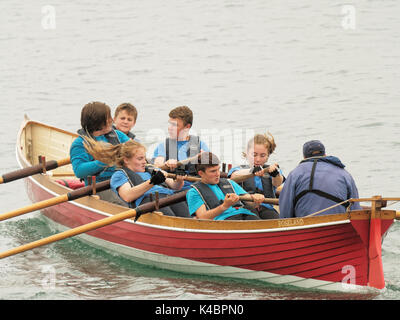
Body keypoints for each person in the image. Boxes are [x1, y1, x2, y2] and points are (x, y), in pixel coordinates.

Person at [83, 137, 190, 217]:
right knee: (172, 221)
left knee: (188, 220)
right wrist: (152, 182)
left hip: (169, 197)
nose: (144, 162)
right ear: (126, 160)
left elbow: (175, 186)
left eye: (144, 158)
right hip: (149, 203)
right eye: (140, 159)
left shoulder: (151, 169)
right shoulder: (119, 175)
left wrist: (179, 179)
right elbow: (127, 196)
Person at [279, 140, 362, 218]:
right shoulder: (344, 173)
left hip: (305, 225)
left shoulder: (294, 173)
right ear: (325, 155)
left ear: (304, 157)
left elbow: (285, 210)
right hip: (338, 222)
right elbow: (356, 209)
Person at [70, 101, 130, 205]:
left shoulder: (118, 135)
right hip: (99, 186)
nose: (112, 120)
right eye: (108, 118)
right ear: (98, 123)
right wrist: (104, 161)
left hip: (124, 180)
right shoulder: (80, 144)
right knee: (124, 204)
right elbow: (79, 171)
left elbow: (135, 149)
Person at [186, 152, 264, 220]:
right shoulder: (193, 192)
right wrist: (224, 206)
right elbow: (202, 218)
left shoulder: (229, 182)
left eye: (218, 169)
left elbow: (251, 203)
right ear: (201, 173)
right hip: (223, 221)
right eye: (213, 171)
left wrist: (256, 199)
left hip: (246, 215)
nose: (218, 174)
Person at [228, 133, 283, 219]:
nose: (258, 159)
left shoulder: (271, 169)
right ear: (247, 153)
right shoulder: (238, 170)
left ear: (268, 155)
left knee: (275, 219)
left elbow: (277, 183)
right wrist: (251, 171)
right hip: (245, 208)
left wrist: (275, 174)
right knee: (254, 219)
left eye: (262, 155)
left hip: (267, 207)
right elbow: (233, 177)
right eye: (254, 155)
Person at [152, 106, 209, 189]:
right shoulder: (163, 145)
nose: (170, 128)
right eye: (170, 124)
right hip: (174, 188)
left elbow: (210, 166)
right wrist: (166, 163)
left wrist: (204, 159)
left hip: (196, 186)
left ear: (187, 127)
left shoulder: (200, 144)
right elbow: (157, 165)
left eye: (175, 125)